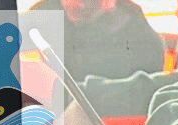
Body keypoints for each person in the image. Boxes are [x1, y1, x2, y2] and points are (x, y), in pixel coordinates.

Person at [29, 0, 164, 84]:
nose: (81, 4)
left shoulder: (134, 25)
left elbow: (145, 86)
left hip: (109, 118)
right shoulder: (41, 15)